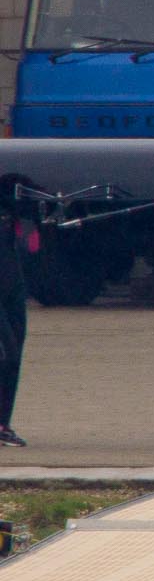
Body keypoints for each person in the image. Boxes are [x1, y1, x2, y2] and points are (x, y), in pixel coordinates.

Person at [0, 178, 31, 448]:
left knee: (15, 353)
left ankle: (3, 423)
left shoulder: (10, 195)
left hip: (12, 283)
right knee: (6, 352)